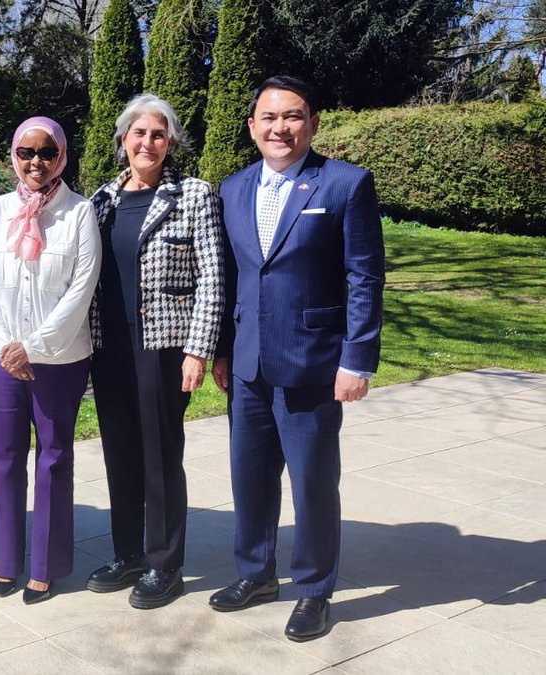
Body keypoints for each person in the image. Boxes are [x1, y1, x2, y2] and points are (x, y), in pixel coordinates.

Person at [210, 75, 384, 641]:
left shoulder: (345, 185)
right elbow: (231, 278)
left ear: (312, 122)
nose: (279, 128)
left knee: (312, 483)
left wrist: (356, 360)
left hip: (313, 361)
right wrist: (219, 351)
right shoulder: (232, 189)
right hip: (248, 364)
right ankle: (256, 573)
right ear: (252, 125)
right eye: (268, 117)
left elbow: (364, 277)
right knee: (249, 477)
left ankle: (313, 588)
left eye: (292, 116)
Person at [84, 94, 225, 609]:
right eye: (138, 133)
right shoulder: (100, 200)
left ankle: (166, 564)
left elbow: (213, 277)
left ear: (171, 143)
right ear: (123, 140)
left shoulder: (193, 196)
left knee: (161, 455)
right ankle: (128, 554)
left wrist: (198, 350)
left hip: (164, 347)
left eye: (158, 134)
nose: (147, 142)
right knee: (119, 451)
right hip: (108, 346)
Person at [0, 117, 100, 604]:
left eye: (46, 153)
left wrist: (37, 347)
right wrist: (9, 345)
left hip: (61, 357)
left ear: (61, 157)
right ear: (14, 155)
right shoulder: (0, 209)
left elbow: (80, 290)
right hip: (1, 357)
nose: (36, 162)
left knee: (53, 458)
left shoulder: (79, 213)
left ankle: (45, 566)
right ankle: (5, 561)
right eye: (26, 152)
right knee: (4, 457)